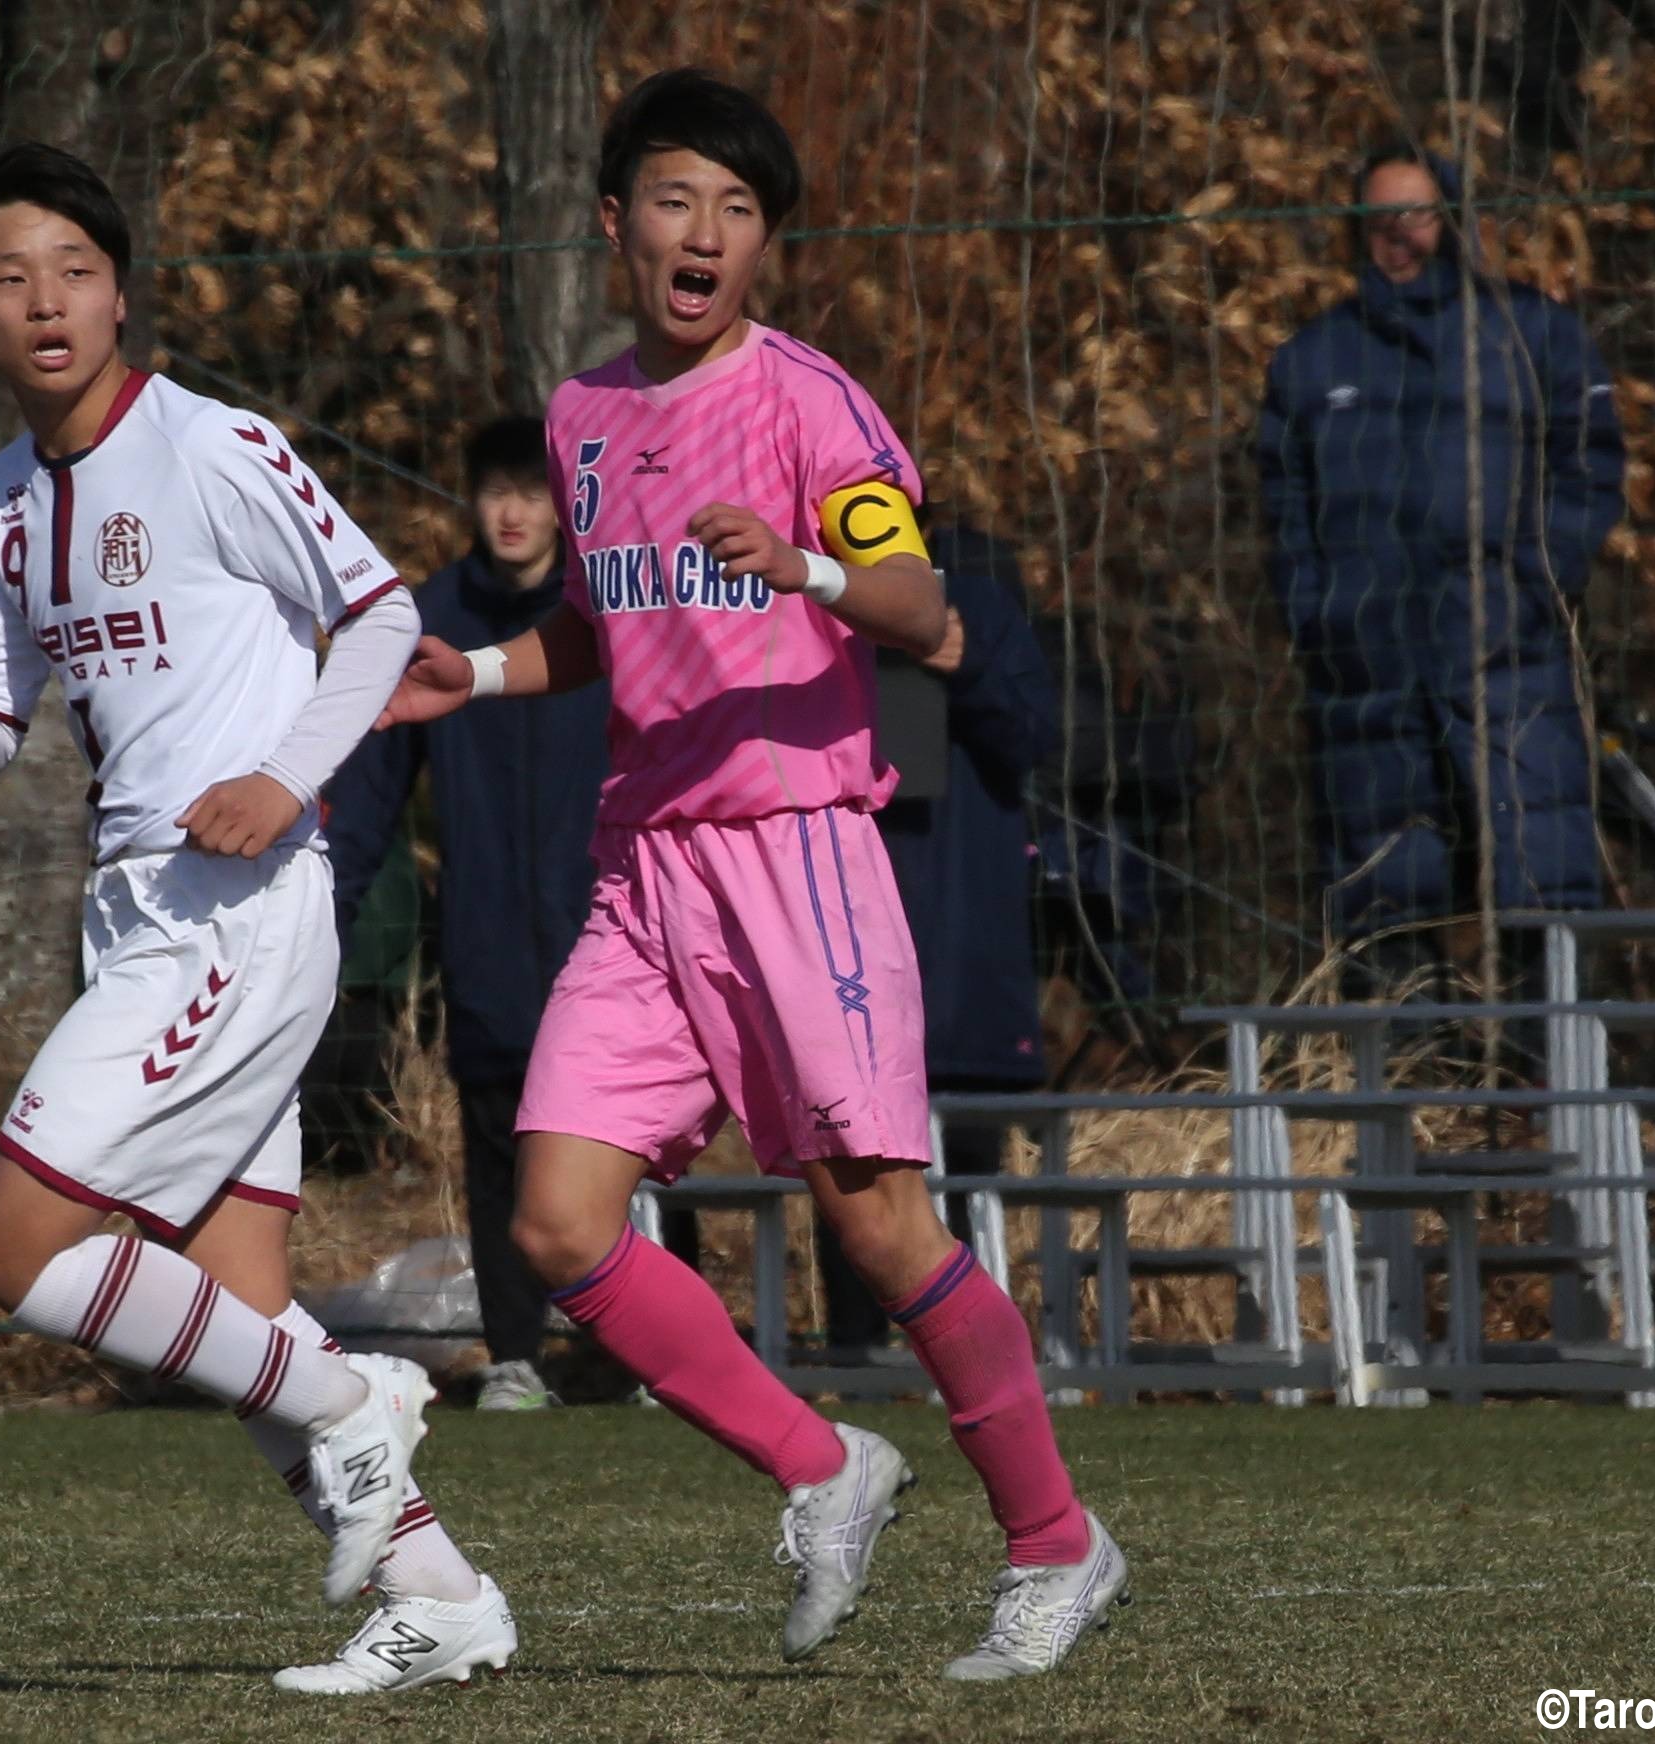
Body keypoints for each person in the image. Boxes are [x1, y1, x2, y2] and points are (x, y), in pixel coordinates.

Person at [380, 69, 1128, 1680]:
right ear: (613, 224)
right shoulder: (583, 419)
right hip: (646, 868)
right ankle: (821, 1463)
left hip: (800, 855)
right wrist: (485, 677)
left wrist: (805, 565)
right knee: (558, 1223)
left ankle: (1057, 1543)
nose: (703, 233)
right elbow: (606, 620)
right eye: (675, 200)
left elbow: (922, 604)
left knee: (876, 1229)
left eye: (736, 211)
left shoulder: (806, 401)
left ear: (764, 247)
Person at [0, 141, 515, 1697]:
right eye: (5, 275)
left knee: (14, 1238)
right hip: (136, 915)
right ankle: (441, 1597)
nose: (44, 301)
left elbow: (381, 617)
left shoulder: (212, 442)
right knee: (228, 1309)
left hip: (233, 912)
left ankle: (359, 1397)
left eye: (74, 271)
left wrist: (287, 779)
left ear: (121, 289)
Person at [1256, 146, 1625, 1004]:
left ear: (1451, 221)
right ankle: (1416, 1096)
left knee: (1544, 874)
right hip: (1366, 672)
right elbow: (1282, 509)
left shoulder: (1532, 335)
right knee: (1385, 892)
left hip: (1511, 654)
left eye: (1416, 215)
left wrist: (1540, 581)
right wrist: (1322, 614)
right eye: (1381, 220)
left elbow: (1592, 464)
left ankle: (1544, 1078)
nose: (1400, 238)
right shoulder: (1313, 361)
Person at [326, 415, 610, 1411]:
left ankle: (638, 1352)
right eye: (495, 490)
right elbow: (364, 796)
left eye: (532, 492)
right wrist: (324, 922)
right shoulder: (428, 621)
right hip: (488, 934)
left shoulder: (605, 611)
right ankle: (518, 1352)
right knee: (497, 1143)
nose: (512, 511)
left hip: (608, 934)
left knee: (635, 1145)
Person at [816, 521, 1061, 1362]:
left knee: (963, 1159)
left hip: (961, 945)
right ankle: (855, 1348)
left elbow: (1033, 733)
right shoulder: (806, 594)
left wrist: (971, 669)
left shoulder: (975, 594)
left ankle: (974, 1348)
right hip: (845, 932)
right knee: (851, 1148)